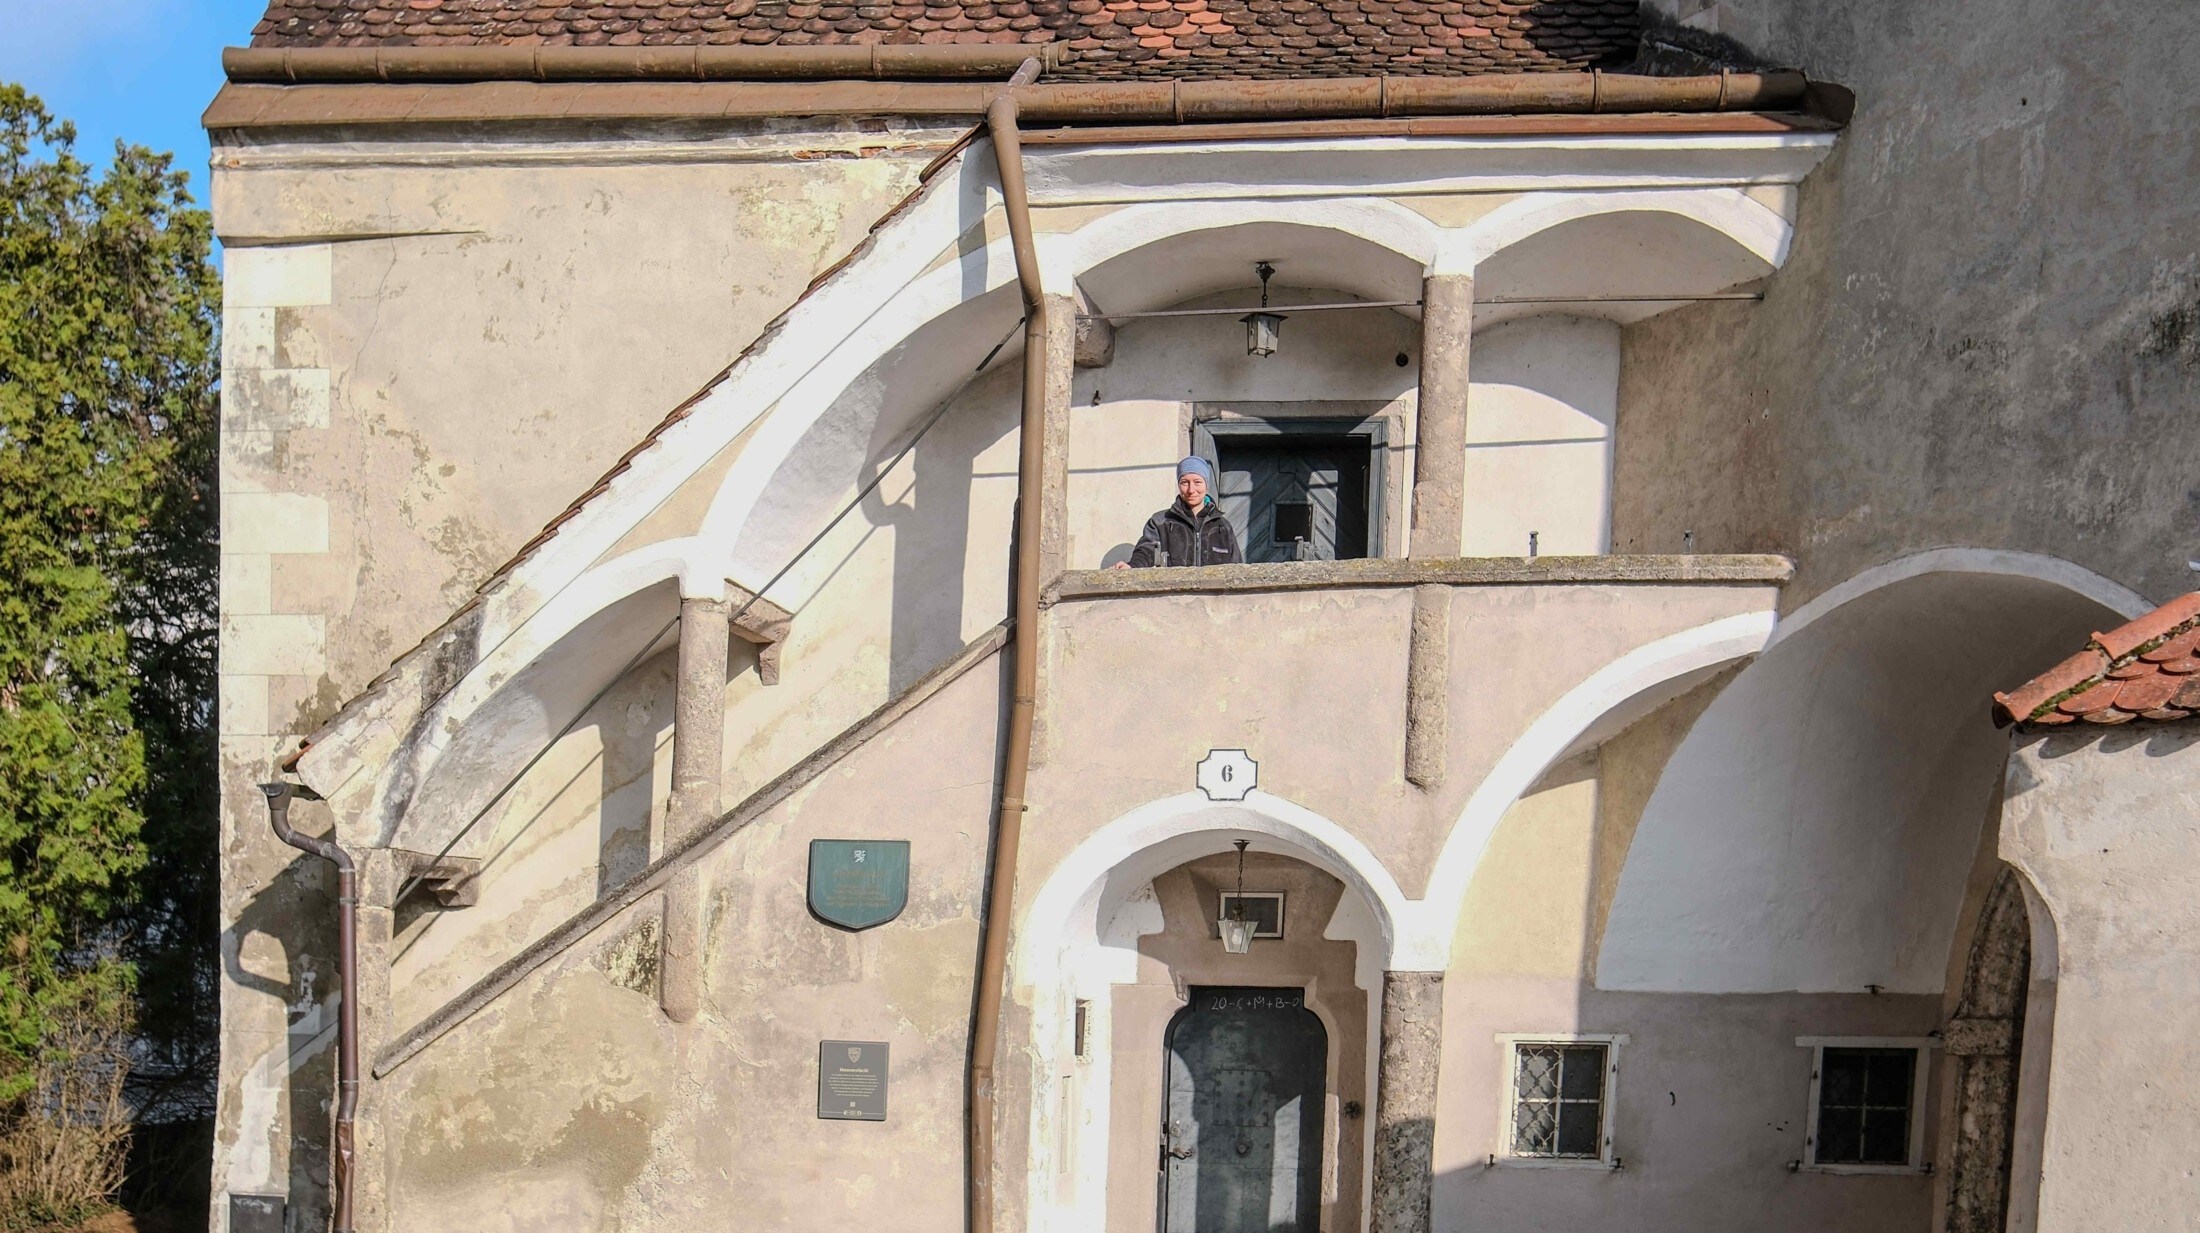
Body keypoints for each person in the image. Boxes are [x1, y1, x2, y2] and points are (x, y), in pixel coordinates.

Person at [1114, 456, 1242, 569]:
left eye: (1197, 482)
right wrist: (1132, 566)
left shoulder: (1223, 527)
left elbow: (1236, 568)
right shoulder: (1160, 522)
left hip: (1214, 597)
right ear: (1179, 485)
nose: (1191, 490)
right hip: (1173, 596)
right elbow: (1146, 552)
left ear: (1206, 485)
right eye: (1185, 483)